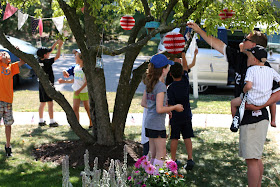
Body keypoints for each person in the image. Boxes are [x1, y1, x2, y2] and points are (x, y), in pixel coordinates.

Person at [187, 22, 276, 186]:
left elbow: (276, 92)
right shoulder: (241, 59)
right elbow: (218, 44)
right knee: (256, 157)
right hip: (249, 117)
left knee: (252, 160)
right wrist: (199, 31)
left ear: (254, 46)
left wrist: (259, 106)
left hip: (255, 118)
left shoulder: (264, 67)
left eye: (246, 39)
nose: (242, 41)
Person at [141, 53, 184, 175]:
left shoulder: (150, 83)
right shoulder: (160, 86)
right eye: (167, 66)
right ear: (163, 70)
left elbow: (144, 103)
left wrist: (162, 108)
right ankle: (156, 177)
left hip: (149, 122)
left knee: (151, 152)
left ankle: (147, 176)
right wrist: (174, 107)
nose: (169, 69)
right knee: (161, 152)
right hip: (157, 124)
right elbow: (159, 109)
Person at [231, 45, 280, 128]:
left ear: (254, 59)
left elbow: (249, 86)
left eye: (249, 57)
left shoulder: (251, 69)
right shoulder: (271, 70)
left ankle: (237, 123)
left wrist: (244, 89)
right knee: (273, 97)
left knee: (233, 103)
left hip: (251, 100)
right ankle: (273, 120)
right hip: (265, 100)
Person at [167, 48, 198, 171]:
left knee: (174, 137)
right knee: (187, 137)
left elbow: (170, 104)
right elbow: (185, 67)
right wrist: (183, 55)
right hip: (186, 115)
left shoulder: (170, 88)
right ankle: (190, 159)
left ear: (171, 74)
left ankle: (173, 160)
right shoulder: (185, 81)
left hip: (175, 116)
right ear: (182, 73)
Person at [58, 49, 92, 128]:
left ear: (81, 59)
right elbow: (75, 80)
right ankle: (77, 125)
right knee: (75, 108)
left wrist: (79, 90)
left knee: (87, 108)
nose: (75, 59)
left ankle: (91, 123)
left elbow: (87, 82)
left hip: (84, 91)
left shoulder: (85, 69)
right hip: (76, 91)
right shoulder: (76, 68)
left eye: (76, 58)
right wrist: (64, 81)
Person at [0, 51, 25, 157]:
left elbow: (23, 61)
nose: (3, 54)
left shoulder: (12, 67)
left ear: (9, 59)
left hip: (8, 101)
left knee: (8, 124)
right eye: (2, 54)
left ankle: (8, 146)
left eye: (6, 54)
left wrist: (17, 52)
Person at [37, 39, 63, 127]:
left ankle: (41, 120)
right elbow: (57, 56)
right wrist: (59, 46)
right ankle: (52, 121)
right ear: (45, 55)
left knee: (42, 102)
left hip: (41, 84)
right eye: (48, 53)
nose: (50, 53)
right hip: (48, 85)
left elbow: (50, 51)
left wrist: (56, 42)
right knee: (50, 103)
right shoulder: (47, 62)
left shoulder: (39, 61)